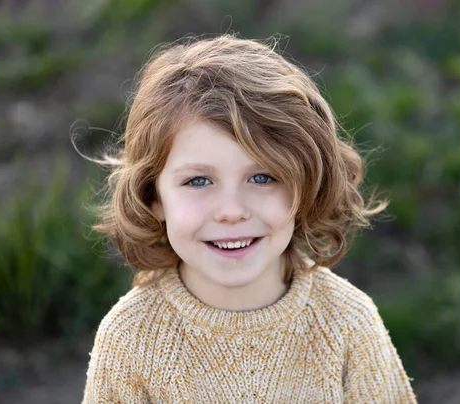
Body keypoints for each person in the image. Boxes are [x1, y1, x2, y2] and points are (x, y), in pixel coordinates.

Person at [81, 34, 417, 403]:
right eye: (198, 180)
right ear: (153, 195)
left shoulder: (347, 323)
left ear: (306, 184)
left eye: (262, 177)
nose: (231, 211)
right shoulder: (131, 338)